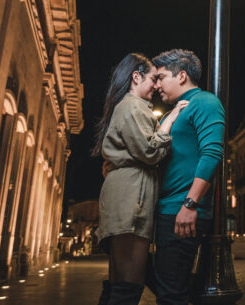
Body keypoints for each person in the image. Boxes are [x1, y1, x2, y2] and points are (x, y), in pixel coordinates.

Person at [92, 53, 189, 305]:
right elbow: (150, 151)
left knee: (119, 283)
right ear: (136, 77)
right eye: (153, 78)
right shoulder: (132, 106)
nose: (157, 85)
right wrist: (170, 120)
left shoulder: (126, 106)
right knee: (128, 285)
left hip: (124, 197)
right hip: (131, 200)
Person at [150, 48, 225, 305]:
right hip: (168, 210)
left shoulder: (205, 102)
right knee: (169, 289)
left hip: (181, 212)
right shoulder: (176, 112)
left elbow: (212, 153)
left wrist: (190, 204)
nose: (156, 85)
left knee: (170, 296)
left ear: (181, 76)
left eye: (161, 78)